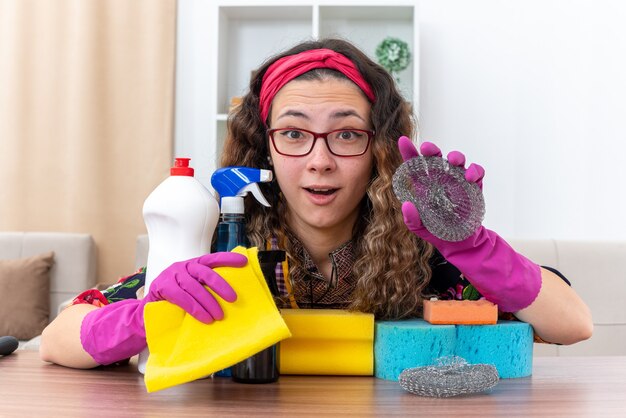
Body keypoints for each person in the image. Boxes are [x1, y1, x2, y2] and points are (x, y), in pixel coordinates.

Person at [40, 38, 592, 369]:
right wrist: (149, 316)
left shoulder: (427, 248)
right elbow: (58, 339)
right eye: (295, 134)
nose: (320, 160)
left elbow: (573, 325)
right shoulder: (219, 241)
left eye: (347, 134)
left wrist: (473, 246)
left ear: (377, 149)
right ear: (265, 148)